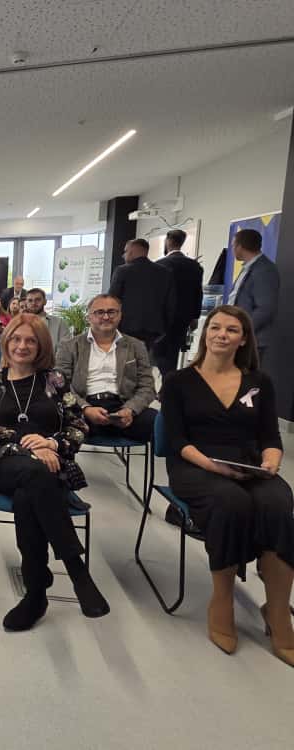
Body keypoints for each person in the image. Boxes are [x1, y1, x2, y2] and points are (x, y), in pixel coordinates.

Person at [160, 305, 293, 664]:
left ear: (243, 339)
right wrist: (214, 466)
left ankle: (278, 610)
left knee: (278, 502)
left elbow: (270, 437)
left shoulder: (259, 382)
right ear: (205, 334)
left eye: (231, 330)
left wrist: (271, 463)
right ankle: (222, 599)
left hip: (248, 464)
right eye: (215, 327)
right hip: (195, 465)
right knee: (231, 502)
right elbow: (177, 441)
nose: (221, 334)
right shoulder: (178, 381)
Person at [0, 314, 108, 631]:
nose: (22, 346)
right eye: (16, 339)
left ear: (41, 345)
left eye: (30, 340)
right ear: (6, 342)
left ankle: (35, 593)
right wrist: (29, 445)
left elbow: (78, 425)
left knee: (28, 494)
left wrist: (52, 444)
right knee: (35, 475)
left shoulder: (54, 380)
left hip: (47, 465)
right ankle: (77, 570)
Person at [55, 294, 157, 443]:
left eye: (111, 312)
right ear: (89, 317)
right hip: (83, 409)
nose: (106, 317)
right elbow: (60, 385)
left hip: (124, 407)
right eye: (100, 312)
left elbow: (147, 386)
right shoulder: (69, 346)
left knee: (159, 422)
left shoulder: (136, 346)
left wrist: (130, 410)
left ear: (120, 315)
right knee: (55, 419)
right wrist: (85, 408)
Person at [108, 238, 175, 353]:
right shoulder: (165, 272)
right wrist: (164, 328)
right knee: (143, 358)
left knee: (123, 359)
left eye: (126, 251)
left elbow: (112, 300)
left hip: (126, 327)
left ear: (132, 251)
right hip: (154, 329)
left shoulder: (122, 271)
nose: (123, 255)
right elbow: (171, 304)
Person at [153, 228, 204, 375]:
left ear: (168, 241)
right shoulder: (194, 266)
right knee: (173, 353)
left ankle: (168, 382)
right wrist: (195, 317)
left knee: (160, 355)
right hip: (184, 317)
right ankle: (170, 381)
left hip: (163, 318)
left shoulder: (160, 265)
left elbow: (157, 294)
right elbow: (198, 292)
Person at [227, 228, 279, 366]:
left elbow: (266, 309)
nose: (232, 249)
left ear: (240, 246)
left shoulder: (264, 270)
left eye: (233, 245)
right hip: (239, 336)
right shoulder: (249, 267)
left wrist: (243, 330)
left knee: (244, 376)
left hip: (250, 340)